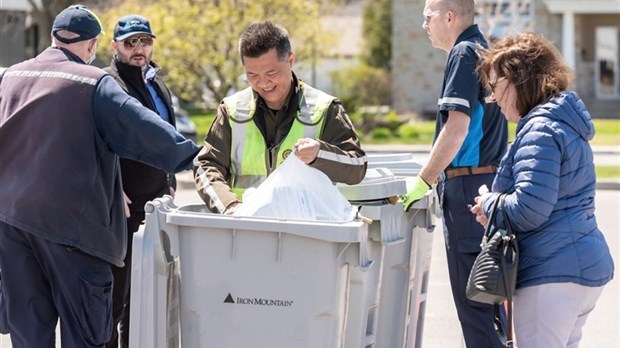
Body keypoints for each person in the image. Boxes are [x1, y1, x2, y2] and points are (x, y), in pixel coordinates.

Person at [0, 5, 201, 347]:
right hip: (73, 231)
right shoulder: (93, 82)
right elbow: (146, 132)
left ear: (53, 38)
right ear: (93, 47)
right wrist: (196, 157)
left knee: (29, 332)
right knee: (87, 334)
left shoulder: (11, 76)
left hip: (12, 224)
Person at [471, 32, 614, 348]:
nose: (492, 99)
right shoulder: (560, 122)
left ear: (517, 80)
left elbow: (529, 208)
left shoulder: (540, 129)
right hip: (577, 267)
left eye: (494, 88)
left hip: (552, 273)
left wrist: (490, 202)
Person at [400, 1, 508, 346]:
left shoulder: (463, 53)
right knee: (489, 301)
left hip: (466, 189)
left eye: (427, 17)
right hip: (487, 185)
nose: (423, 25)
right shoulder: (483, 49)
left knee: (474, 305)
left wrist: (423, 180)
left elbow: (456, 129)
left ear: (449, 17)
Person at [193, 21, 367, 214]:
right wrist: (229, 206)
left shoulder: (325, 108)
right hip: (244, 230)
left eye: (271, 73)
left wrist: (320, 154)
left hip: (309, 231)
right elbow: (206, 164)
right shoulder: (231, 109)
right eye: (252, 75)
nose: (263, 83)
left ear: (291, 60)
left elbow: (357, 167)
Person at [103, 14, 179, 348]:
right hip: (125, 208)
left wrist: (170, 178)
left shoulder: (156, 82)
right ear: (115, 46)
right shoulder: (108, 84)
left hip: (156, 205)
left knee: (144, 298)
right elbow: (97, 142)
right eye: (130, 42)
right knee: (116, 298)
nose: (139, 49)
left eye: (144, 41)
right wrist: (112, 187)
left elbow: (167, 134)